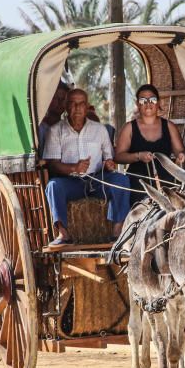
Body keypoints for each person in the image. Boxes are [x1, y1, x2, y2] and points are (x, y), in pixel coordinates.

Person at [43, 88, 130, 248]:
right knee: (53, 186)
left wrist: (109, 164)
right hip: (70, 182)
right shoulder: (55, 131)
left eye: (81, 104)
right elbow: (53, 164)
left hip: (96, 180)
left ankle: (117, 231)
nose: (77, 108)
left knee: (121, 180)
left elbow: (109, 158)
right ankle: (63, 234)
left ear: (87, 106)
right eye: (72, 104)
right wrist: (73, 168)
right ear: (66, 106)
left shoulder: (99, 129)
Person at [114, 83, 185, 206]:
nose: (148, 104)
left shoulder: (169, 126)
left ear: (158, 103)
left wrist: (181, 156)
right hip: (138, 183)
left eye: (152, 99)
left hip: (167, 182)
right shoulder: (129, 128)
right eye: (143, 100)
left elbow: (180, 151)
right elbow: (118, 157)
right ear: (138, 104)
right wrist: (138, 156)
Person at [38, 80, 69, 155]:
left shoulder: (67, 127)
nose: (60, 103)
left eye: (63, 99)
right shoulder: (39, 127)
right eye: (56, 98)